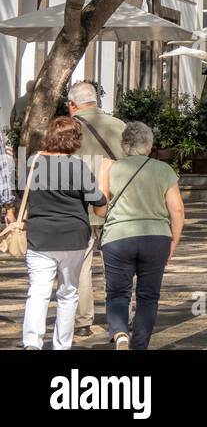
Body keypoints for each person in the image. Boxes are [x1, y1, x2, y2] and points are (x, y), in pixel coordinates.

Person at [21, 116, 106, 350]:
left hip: (39, 236)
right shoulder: (77, 166)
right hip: (73, 237)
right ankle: (61, 345)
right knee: (68, 293)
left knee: (38, 292)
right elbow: (98, 202)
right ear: (75, 140)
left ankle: (31, 343)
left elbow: (23, 197)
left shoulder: (31, 162)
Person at [99, 122, 184, 350]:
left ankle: (119, 334)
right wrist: (173, 240)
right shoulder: (163, 170)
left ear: (124, 145)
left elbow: (101, 209)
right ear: (149, 144)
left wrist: (102, 174)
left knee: (117, 293)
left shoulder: (112, 169)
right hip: (156, 238)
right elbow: (176, 209)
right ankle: (139, 345)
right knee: (148, 296)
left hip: (118, 238)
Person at [68, 79, 125, 339]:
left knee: (81, 266)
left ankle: (82, 321)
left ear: (72, 105)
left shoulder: (68, 129)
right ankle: (122, 320)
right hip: (117, 205)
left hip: (79, 207)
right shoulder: (119, 126)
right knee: (119, 265)